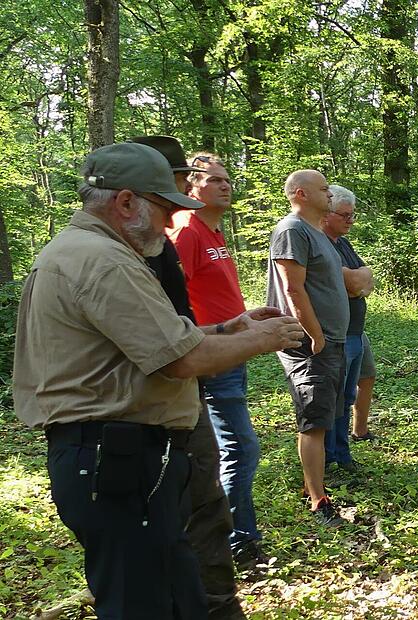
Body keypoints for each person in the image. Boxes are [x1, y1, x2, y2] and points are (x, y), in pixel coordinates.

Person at [13, 142, 304, 619]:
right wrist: (267, 337)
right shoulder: (103, 260)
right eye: (165, 209)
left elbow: (153, 342)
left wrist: (226, 330)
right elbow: (181, 360)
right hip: (114, 459)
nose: (171, 224)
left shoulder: (91, 251)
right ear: (127, 202)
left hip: (121, 457)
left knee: (170, 593)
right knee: (143, 603)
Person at [130, 136, 248, 618]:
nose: (224, 186)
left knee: (213, 479)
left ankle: (220, 586)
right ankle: (237, 552)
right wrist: (229, 340)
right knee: (225, 458)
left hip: (208, 363)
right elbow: (171, 329)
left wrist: (232, 327)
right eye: (207, 180)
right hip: (187, 374)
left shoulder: (187, 236)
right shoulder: (173, 237)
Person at [166, 150, 269, 570]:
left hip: (232, 350)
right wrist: (215, 336)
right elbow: (172, 303)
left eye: (226, 179)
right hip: (211, 356)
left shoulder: (213, 231)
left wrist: (244, 320)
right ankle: (236, 541)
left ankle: (232, 536)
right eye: (213, 180)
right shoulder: (186, 231)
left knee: (232, 448)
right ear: (190, 187)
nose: (225, 185)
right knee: (239, 449)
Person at [266, 170, 349, 525]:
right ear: (300, 194)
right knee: (313, 421)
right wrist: (315, 334)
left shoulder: (316, 232)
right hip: (310, 344)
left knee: (323, 416)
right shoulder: (292, 230)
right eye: (323, 189)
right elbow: (292, 288)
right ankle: (318, 501)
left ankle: (311, 483)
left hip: (330, 339)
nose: (329, 194)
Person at [321, 184, 374, 464]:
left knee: (346, 397)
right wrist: (358, 281)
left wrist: (359, 280)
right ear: (326, 213)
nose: (350, 221)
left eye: (352, 215)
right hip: (337, 335)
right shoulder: (321, 244)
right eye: (344, 215)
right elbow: (355, 283)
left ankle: (342, 454)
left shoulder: (343, 243)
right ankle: (329, 457)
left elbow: (366, 280)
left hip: (354, 332)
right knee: (334, 400)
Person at [351, 334, 378, 441]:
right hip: (331, 333)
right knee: (337, 383)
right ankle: (330, 438)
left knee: (367, 376)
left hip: (356, 331)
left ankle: (360, 431)